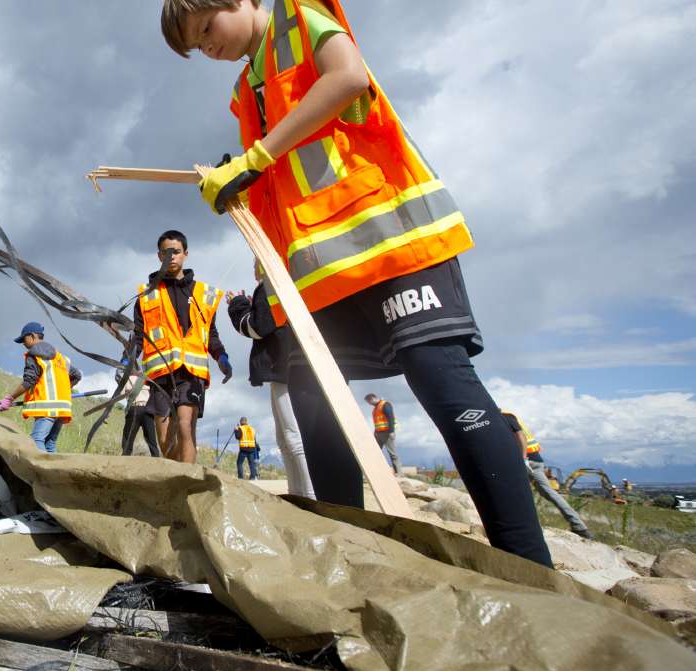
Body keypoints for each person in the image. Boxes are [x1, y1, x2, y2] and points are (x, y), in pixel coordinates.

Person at [161, 0, 552, 566]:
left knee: (444, 386)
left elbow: (347, 77)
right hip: (320, 274)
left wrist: (257, 156)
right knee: (314, 402)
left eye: (207, 29)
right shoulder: (248, 90)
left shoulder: (299, 17)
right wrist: (248, 196)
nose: (208, 47)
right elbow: (284, 177)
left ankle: (529, 567)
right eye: (197, 46)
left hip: (391, 243)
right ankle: (348, 558)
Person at [132, 230, 232, 464]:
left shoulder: (203, 294)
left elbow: (211, 334)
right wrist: (128, 359)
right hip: (160, 376)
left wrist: (222, 357)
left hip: (191, 374)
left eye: (176, 252)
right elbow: (138, 335)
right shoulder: (146, 296)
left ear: (185, 254)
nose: (171, 257)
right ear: (159, 256)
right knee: (166, 445)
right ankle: (174, 480)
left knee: (186, 428)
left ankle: (188, 485)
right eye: (166, 253)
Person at [227, 262, 314, 497]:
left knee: (293, 437)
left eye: (256, 262)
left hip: (285, 366)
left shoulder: (271, 286)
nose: (254, 267)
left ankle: (308, 496)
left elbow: (257, 327)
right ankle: (297, 495)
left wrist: (237, 304)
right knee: (285, 437)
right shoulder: (288, 283)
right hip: (290, 365)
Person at [502, 411, 593, 540]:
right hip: (536, 461)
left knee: (507, 490)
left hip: (527, 462)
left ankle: (514, 526)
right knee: (549, 493)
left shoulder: (504, 417)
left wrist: (523, 459)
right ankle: (580, 527)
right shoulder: (509, 416)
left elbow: (520, 436)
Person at [0, 322, 82, 453]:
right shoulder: (61, 358)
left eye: (24, 340)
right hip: (62, 408)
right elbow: (76, 375)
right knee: (50, 443)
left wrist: (10, 398)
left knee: (37, 440)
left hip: (46, 408)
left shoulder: (34, 354)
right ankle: (55, 472)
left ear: (32, 336)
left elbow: (29, 381)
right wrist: (64, 390)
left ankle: (43, 472)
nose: (23, 344)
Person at [118, 363, 161, 456]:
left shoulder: (126, 380)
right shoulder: (147, 378)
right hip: (146, 410)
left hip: (135, 409)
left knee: (128, 438)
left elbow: (120, 396)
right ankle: (156, 458)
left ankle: (125, 457)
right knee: (151, 439)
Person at [364, 394, 400, 475]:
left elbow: (390, 418)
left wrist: (391, 431)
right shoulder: (376, 408)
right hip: (378, 433)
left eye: (369, 401)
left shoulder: (385, 404)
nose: (369, 404)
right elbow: (378, 422)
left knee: (392, 453)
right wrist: (375, 432)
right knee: (376, 452)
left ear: (373, 398)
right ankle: (376, 472)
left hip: (387, 433)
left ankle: (399, 472)